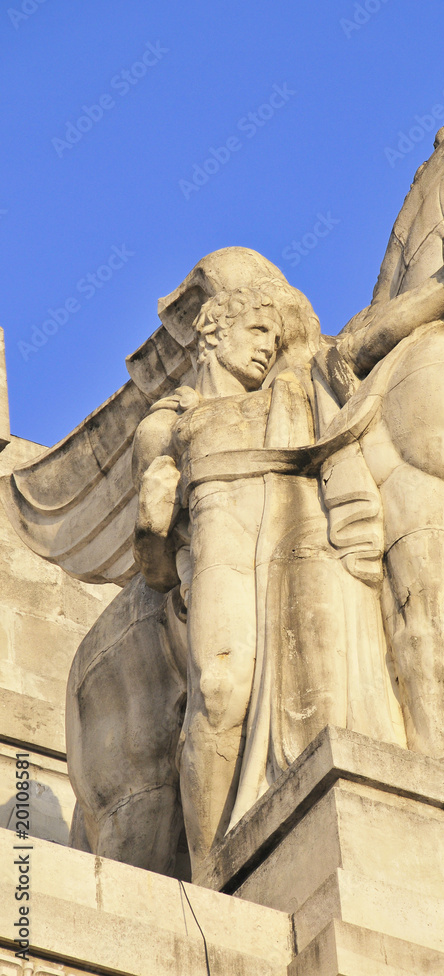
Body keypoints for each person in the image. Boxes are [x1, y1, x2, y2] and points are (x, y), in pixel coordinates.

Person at [132, 248, 317, 877]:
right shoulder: (168, 423)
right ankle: (211, 872)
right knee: (217, 693)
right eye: (256, 330)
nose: (268, 348)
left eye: (274, 335)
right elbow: (157, 573)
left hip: (288, 556)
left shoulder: (286, 402)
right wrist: (151, 527)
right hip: (213, 564)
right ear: (213, 330)